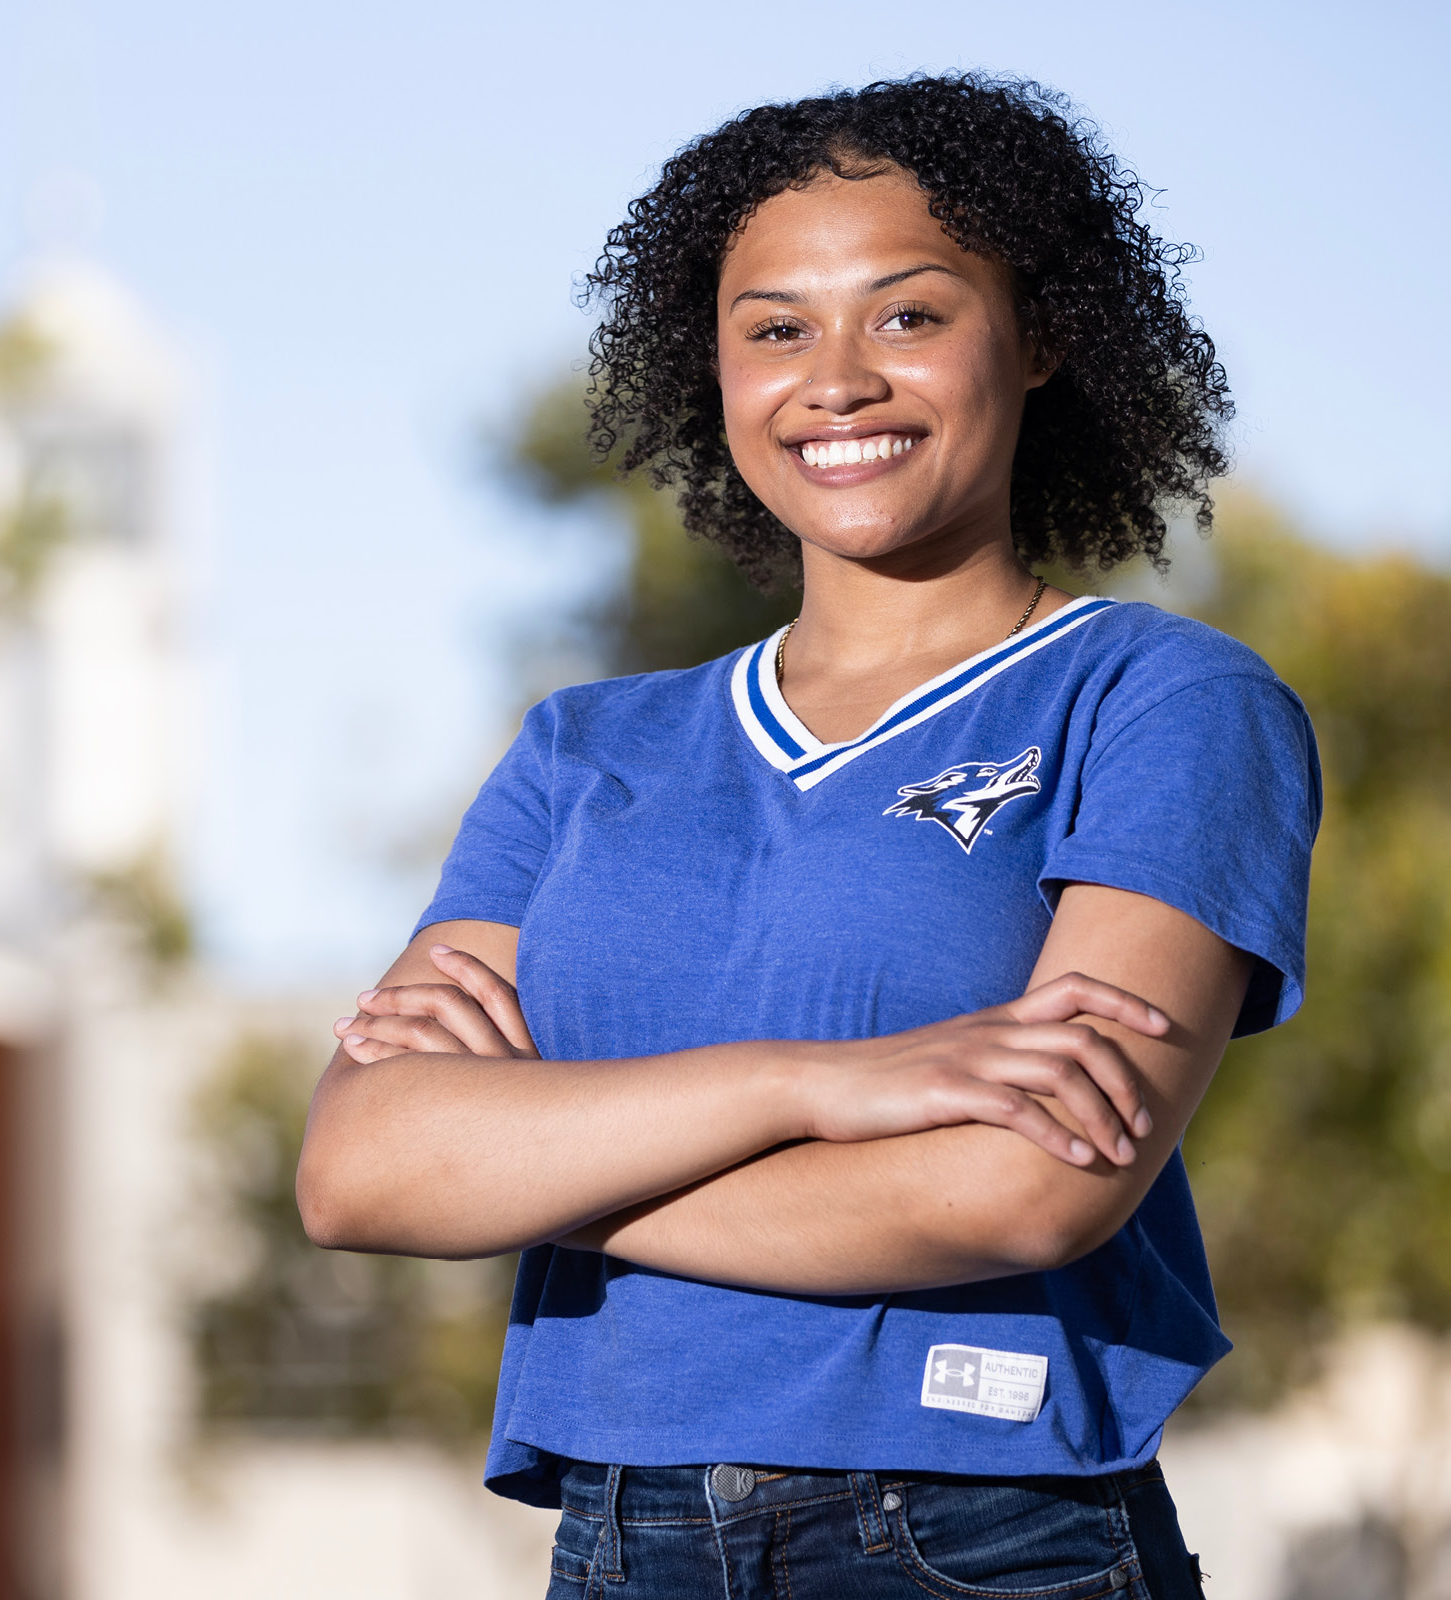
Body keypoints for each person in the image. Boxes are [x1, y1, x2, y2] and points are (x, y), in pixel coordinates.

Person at [296, 75, 1318, 1600]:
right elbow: (360, 1174)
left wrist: (532, 1160)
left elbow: (1030, 1185)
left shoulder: (1163, 700)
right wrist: (822, 1086)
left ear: (1036, 339)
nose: (835, 380)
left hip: (983, 1532)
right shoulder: (586, 750)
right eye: (775, 328)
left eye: (907, 316)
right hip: (618, 1538)